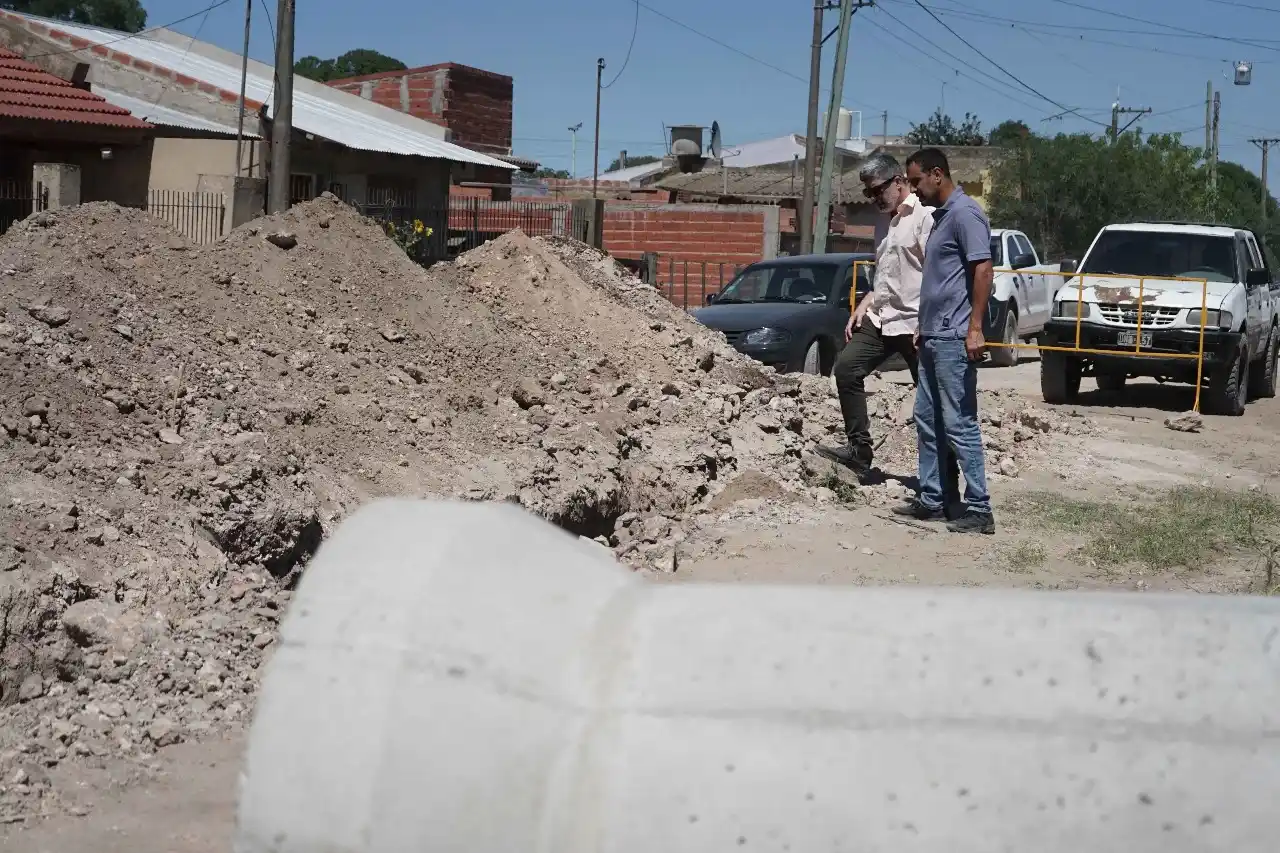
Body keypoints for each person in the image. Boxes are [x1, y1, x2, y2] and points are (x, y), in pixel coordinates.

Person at [815, 153, 932, 482]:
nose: (873, 198)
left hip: (916, 325)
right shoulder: (883, 222)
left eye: (876, 190)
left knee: (930, 401)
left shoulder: (925, 218)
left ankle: (937, 481)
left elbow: (937, 274)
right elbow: (886, 275)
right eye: (867, 192)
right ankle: (859, 454)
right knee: (847, 369)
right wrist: (866, 303)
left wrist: (930, 320)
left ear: (898, 181)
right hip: (883, 319)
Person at [898, 147, 995, 535]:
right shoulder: (940, 218)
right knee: (928, 417)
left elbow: (982, 270)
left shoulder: (966, 213)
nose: (914, 189)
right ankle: (934, 498)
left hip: (956, 337)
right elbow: (940, 280)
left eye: (918, 180)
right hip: (934, 335)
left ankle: (979, 508)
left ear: (937, 175)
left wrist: (975, 327)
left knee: (959, 423)